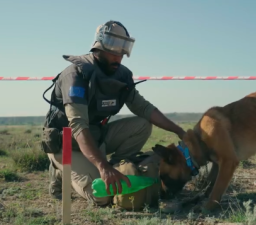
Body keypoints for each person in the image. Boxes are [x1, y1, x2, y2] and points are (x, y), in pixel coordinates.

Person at [41, 20, 185, 206]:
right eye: (114, 50)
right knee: (103, 196)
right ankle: (60, 169)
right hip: (66, 143)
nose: (119, 56)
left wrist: (179, 131)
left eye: (123, 50)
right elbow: (78, 126)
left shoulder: (120, 74)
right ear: (98, 47)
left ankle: (116, 170)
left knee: (142, 124)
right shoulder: (75, 75)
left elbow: (144, 109)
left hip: (96, 136)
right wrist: (103, 166)